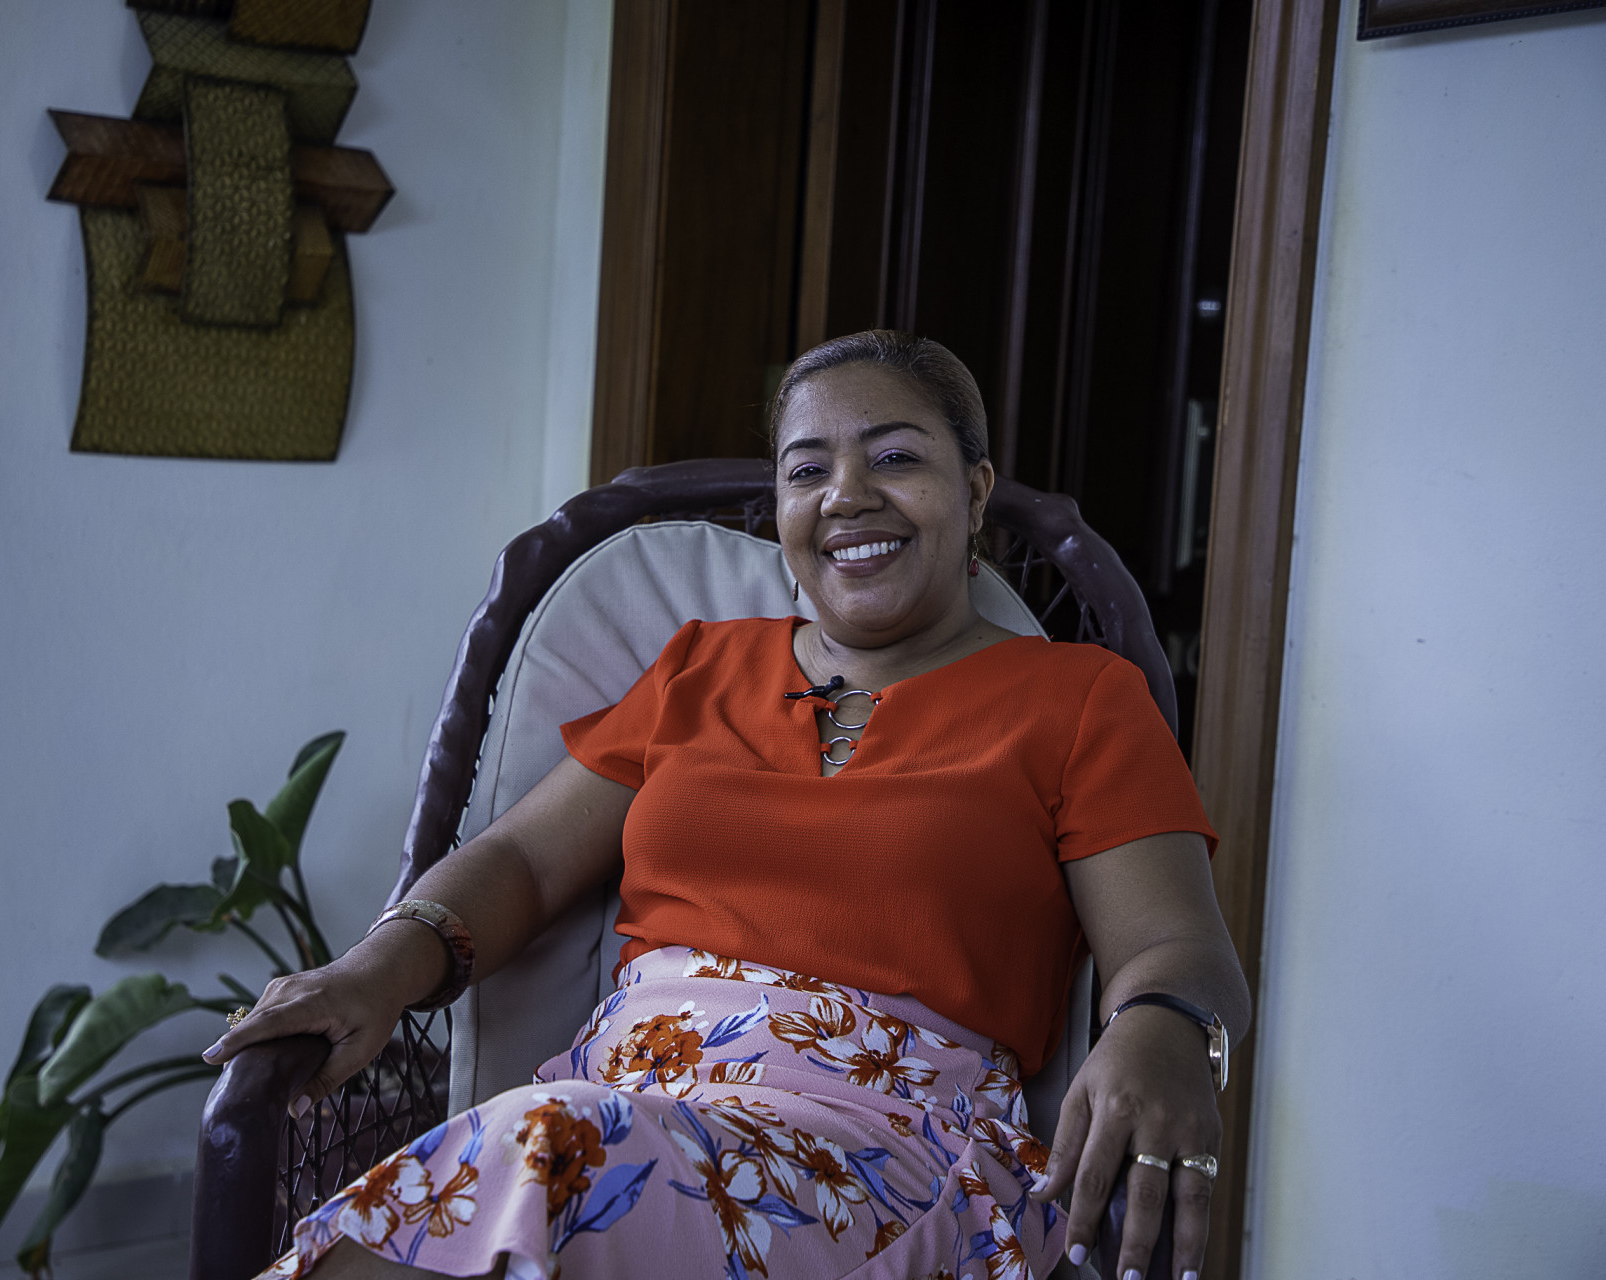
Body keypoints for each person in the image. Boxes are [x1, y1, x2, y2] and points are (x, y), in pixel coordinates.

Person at [204, 331, 1251, 1280]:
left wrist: (1164, 1023)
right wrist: (377, 967)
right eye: (808, 469)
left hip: (880, 1150)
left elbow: (1177, 946)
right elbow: (521, 861)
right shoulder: (697, 667)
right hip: (635, 1104)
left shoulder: (1078, 698)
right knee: (547, 1162)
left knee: (547, 1153)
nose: (846, 496)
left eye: (894, 457)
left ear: (975, 491)